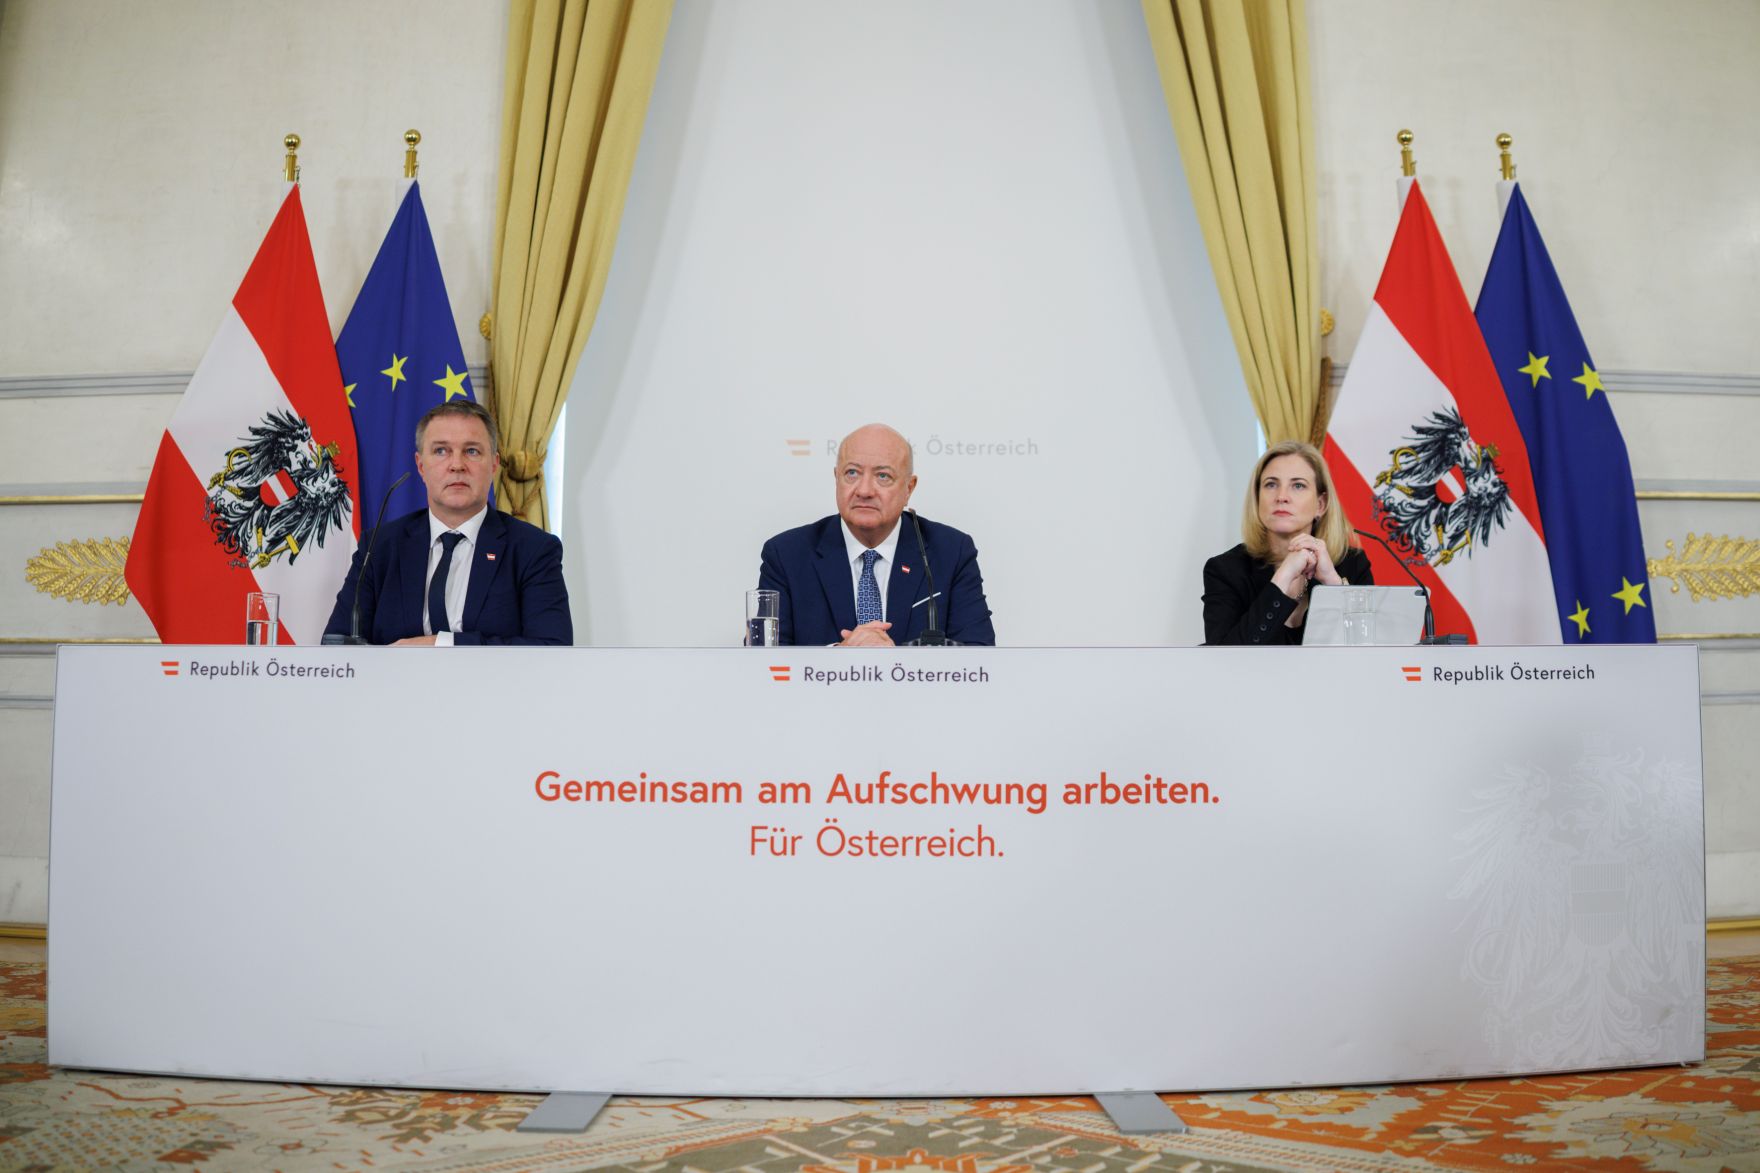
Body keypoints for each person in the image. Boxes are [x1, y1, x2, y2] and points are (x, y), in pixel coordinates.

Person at [324, 400, 572, 646]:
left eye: (472, 451)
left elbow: (552, 648)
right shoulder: (379, 547)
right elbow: (337, 646)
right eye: (441, 451)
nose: (456, 465)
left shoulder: (533, 549)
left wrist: (441, 645)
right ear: (421, 466)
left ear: (494, 464)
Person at [758, 423, 995, 646]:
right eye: (852, 473)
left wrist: (891, 666)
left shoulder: (951, 552)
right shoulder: (786, 555)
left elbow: (978, 654)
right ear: (836, 478)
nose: (864, 490)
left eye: (883, 476)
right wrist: (839, 657)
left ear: (909, 488)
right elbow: (764, 664)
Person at [1203, 440, 1371, 646]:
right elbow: (1222, 659)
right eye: (1271, 484)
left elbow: (1368, 647)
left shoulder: (1352, 563)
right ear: (1257, 499)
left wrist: (1332, 584)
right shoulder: (1226, 570)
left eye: (1298, 485)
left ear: (1321, 504)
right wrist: (1281, 579)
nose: (1282, 497)